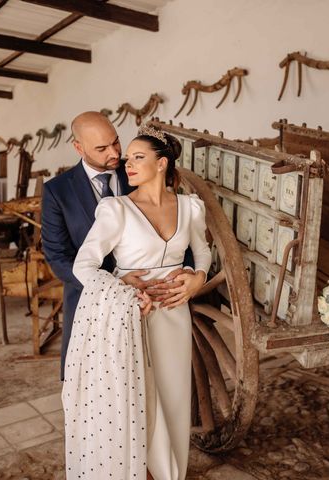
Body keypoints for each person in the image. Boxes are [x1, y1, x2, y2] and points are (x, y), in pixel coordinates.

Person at [64, 125, 211, 479]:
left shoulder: (190, 207)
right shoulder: (116, 210)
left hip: (175, 317)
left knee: (174, 399)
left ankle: (170, 473)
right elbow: (83, 265)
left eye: (138, 158)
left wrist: (197, 278)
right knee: (139, 400)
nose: (127, 164)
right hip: (133, 317)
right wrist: (122, 288)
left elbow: (203, 251)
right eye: (127, 158)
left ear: (162, 164)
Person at [41, 112, 195, 380]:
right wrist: (115, 283)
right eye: (101, 148)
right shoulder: (57, 191)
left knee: (157, 378)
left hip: (156, 298)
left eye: (115, 142)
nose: (114, 153)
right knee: (98, 382)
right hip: (90, 299)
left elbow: (177, 227)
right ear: (79, 148)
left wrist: (191, 271)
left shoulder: (138, 168)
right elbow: (57, 256)